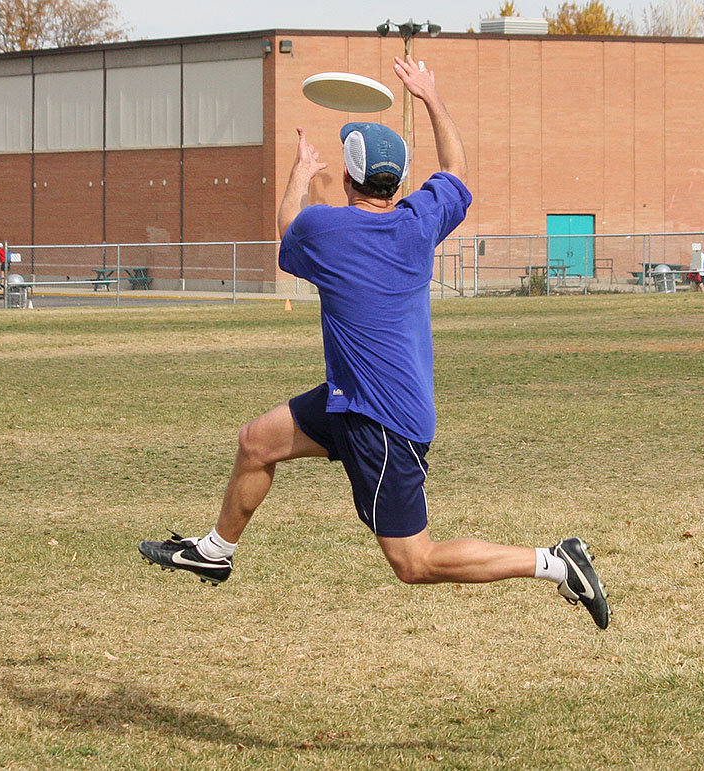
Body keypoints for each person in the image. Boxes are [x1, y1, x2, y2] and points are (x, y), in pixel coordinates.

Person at [138, 55, 611, 630]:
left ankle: (556, 563)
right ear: (399, 183)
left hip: (381, 419)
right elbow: (457, 170)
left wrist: (297, 172)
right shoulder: (419, 223)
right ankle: (215, 552)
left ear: (348, 178)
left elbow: (288, 225)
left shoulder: (327, 230)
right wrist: (431, 96)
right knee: (257, 442)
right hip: (350, 396)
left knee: (414, 562)